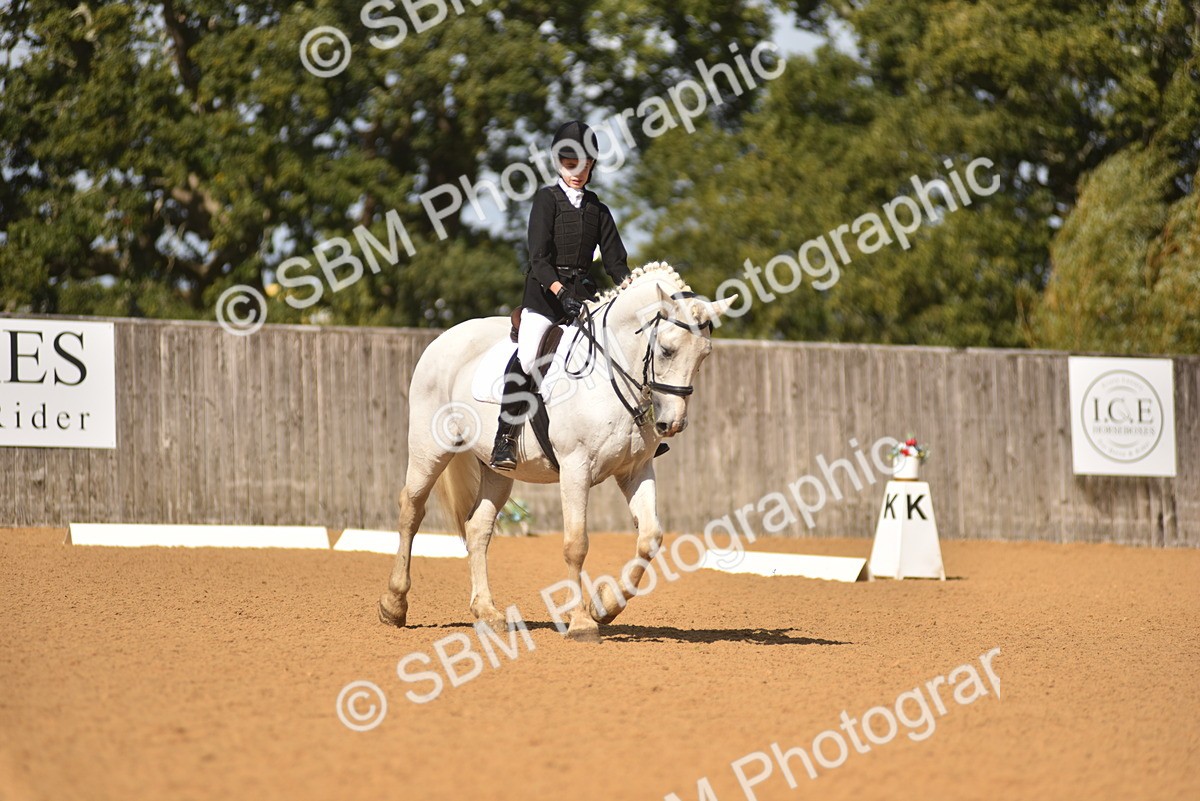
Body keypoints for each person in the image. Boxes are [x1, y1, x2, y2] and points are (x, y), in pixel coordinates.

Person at [489, 120, 632, 471]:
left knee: (623, 352)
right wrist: (559, 293)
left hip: (583, 299)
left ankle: (634, 431)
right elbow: (538, 259)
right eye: (570, 164)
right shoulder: (546, 200)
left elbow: (617, 264)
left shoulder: (599, 210)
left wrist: (633, 296)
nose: (577, 172)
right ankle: (505, 438)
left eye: (584, 165)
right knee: (526, 356)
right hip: (544, 297)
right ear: (558, 163)